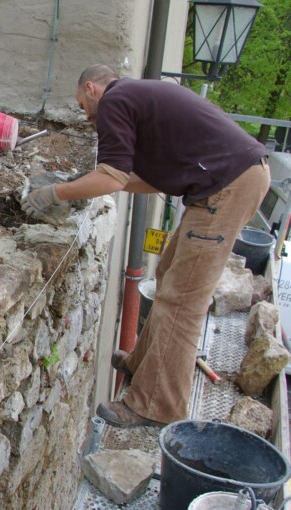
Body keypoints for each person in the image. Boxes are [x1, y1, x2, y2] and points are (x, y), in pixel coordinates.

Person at [22, 64, 269, 427]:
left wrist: (55, 193)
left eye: (82, 105)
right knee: (169, 273)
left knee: (182, 301)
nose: (86, 116)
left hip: (227, 187)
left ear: (91, 88)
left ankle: (156, 406)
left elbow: (111, 177)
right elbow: (137, 181)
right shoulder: (137, 98)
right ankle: (141, 364)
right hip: (228, 182)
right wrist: (81, 184)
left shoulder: (114, 101)